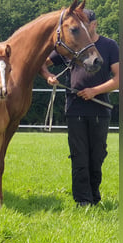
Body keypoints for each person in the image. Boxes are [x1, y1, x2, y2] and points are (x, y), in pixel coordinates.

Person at [39, 9, 119, 206]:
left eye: (86, 24)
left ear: (94, 24)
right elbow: (41, 63)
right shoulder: (71, 44)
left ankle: (94, 197)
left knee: (97, 154)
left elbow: (119, 79)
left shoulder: (109, 46)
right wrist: (48, 76)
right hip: (75, 108)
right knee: (79, 155)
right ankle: (83, 201)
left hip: (100, 109)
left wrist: (94, 91)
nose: (82, 29)